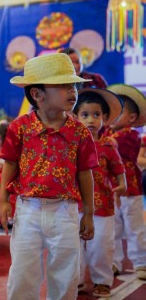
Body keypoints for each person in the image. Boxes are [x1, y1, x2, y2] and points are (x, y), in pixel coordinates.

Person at [0, 53, 98, 300]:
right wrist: (2, 200)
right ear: (37, 94)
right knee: (23, 272)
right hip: (28, 210)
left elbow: (85, 173)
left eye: (73, 85)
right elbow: (9, 165)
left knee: (66, 274)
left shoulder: (79, 132)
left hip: (65, 211)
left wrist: (89, 212)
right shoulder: (19, 128)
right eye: (63, 85)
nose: (72, 91)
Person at [74, 88, 126, 297]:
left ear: (104, 118)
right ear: (75, 117)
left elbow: (118, 168)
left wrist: (121, 184)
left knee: (102, 245)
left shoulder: (108, 145)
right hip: (74, 204)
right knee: (73, 246)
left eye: (96, 115)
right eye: (85, 115)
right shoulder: (72, 144)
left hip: (103, 205)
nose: (91, 120)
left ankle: (102, 281)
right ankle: (74, 281)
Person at [106, 84, 146, 280]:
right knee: (113, 229)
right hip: (112, 190)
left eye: (119, 112)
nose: (113, 117)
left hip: (131, 190)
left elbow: (112, 146)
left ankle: (141, 263)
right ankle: (113, 262)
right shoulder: (106, 135)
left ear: (131, 118)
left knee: (135, 229)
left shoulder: (131, 135)